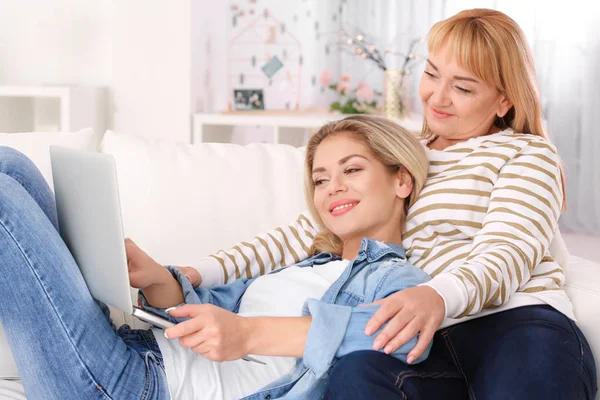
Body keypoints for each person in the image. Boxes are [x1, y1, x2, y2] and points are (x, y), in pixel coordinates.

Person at [188, 8, 598, 399]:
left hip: (516, 326)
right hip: (420, 340)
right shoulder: (400, 153)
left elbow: (509, 251)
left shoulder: (527, 154)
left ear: (504, 101)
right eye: (432, 74)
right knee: (354, 375)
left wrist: (437, 296)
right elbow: (306, 232)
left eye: (463, 87)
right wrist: (197, 273)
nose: (438, 97)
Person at [0, 115, 432, 399]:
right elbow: (213, 315)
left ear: (401, 181)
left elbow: (402, 337)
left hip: (134, 388)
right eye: (321, 179)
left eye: (352, 170)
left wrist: (249, 334)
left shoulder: (396, 279)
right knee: (12, 165)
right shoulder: (309, 263)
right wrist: (157, 281)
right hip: (140, 351)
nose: (332, 187)